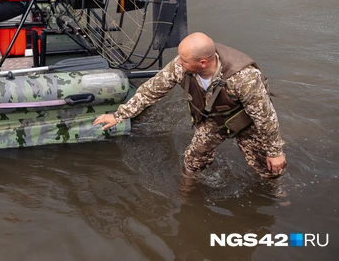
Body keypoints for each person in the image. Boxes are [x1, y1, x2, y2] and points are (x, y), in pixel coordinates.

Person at [94, 32, 287, 179]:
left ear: (203, 63)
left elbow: (265, 117)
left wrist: (275, 152)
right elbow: (150, 91)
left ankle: (278, 195)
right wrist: (119, 115)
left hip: (246, 120)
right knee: (193, 160)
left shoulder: (243, 78)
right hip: (213, 118)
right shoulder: (181, 65)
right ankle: (187, 192)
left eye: (184, 60)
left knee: (269, 168)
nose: (178, 63)